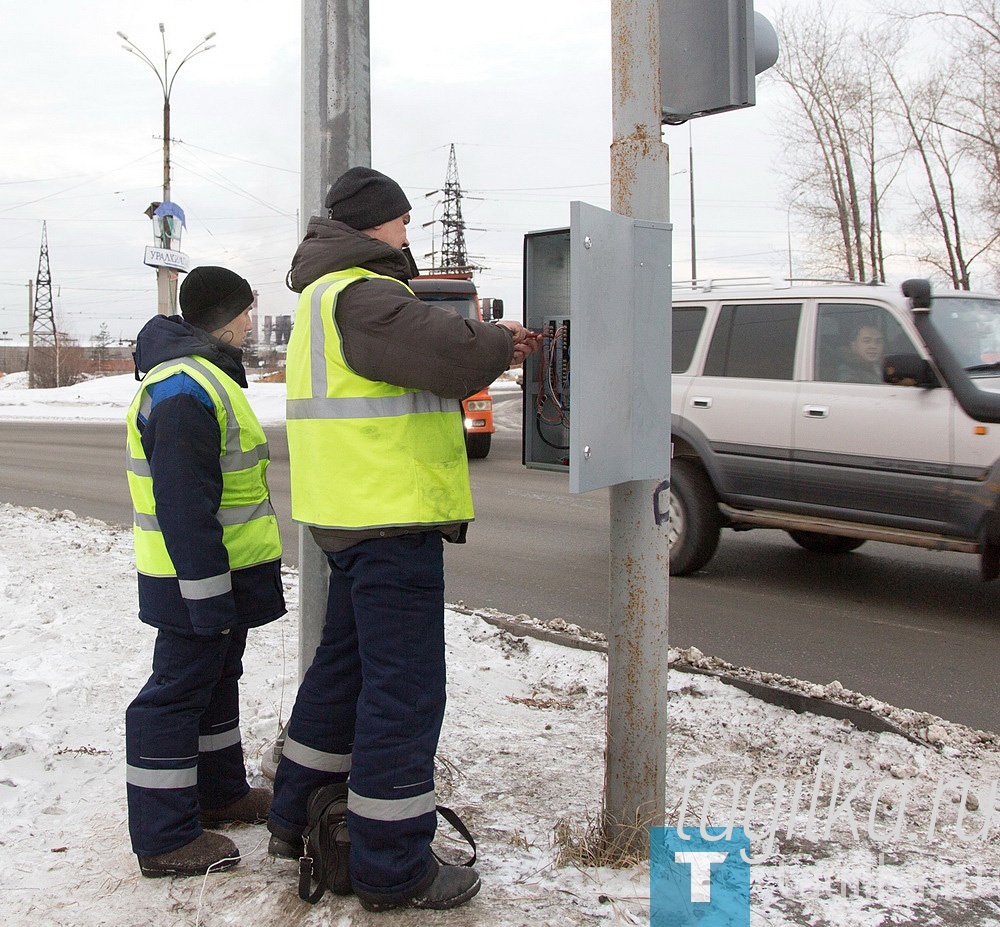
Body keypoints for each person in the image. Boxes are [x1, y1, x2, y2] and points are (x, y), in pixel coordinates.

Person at [267, 166, 540, 912]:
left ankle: (295, 814)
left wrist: (483, 339)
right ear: (369, 224)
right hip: (388, 520)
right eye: (400, 221)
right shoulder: (362, 292)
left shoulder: (326, 294)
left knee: (344, 672)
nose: (408, 233)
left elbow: (428, 353)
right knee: (405, 689)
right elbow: (451, 355)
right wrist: (499, 342)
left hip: (351, 516)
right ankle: (393, 866)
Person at [125, 266, 286, 878]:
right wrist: (209, 597)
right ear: (223, 314)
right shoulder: (184, 389)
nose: (251, 320)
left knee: (217, 680)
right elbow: (185, 510)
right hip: (194, 582)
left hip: (216, 577)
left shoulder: (202, 378)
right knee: (174, 695)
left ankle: (220, 794)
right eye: (246, 309)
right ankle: (164, 837)